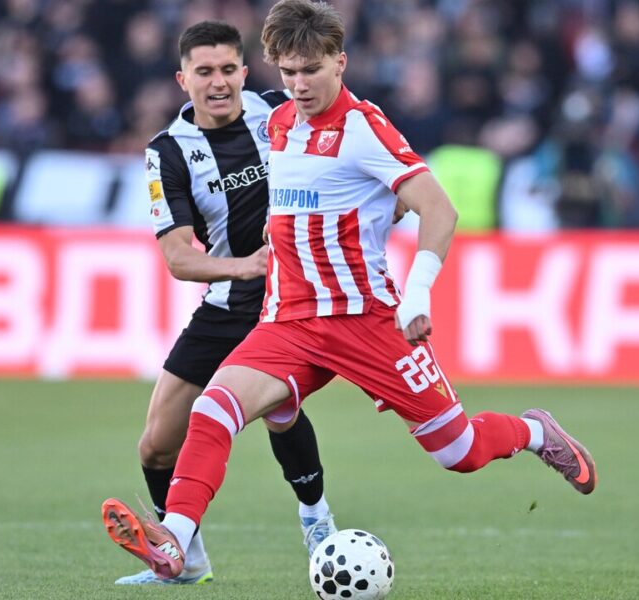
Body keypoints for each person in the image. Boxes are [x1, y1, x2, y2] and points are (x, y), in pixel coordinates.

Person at [102, 0, 598, 581]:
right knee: (214, 407)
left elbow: (438, 210)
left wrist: (417, 295)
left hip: (367, 319)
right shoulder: (280, 123)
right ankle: (177, 543)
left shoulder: (363, 128)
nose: (298, 84)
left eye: (310, 70)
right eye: (287, 72)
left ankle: (536, 431)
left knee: (458, 452)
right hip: (290, 319)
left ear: (341, 61)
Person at [106, 20, 338, 586]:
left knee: (277, 410)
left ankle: (318, 522)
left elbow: (348, 142)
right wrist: (244, 265)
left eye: (228, 69)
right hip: (228, 300)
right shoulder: (168, 152)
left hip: (293, 299)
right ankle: (185, 563)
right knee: (158, 443)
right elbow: (179, 258)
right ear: (182, 79)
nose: (218, 83)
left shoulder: (282, 109)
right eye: (204, 72)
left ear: (244, 71)